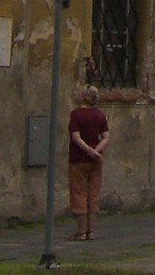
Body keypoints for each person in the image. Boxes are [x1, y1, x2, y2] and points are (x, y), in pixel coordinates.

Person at [66, 86, 109, 241]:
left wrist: (89, 151)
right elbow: (106, 137)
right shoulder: (100, 115)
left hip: (78, 159)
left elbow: (76, 138)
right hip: (96, 161)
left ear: (83, 97)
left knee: (79, 193)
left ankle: (81, 231)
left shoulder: (76, 115)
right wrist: (96, 152)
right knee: (93, 194)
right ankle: (91, 231)